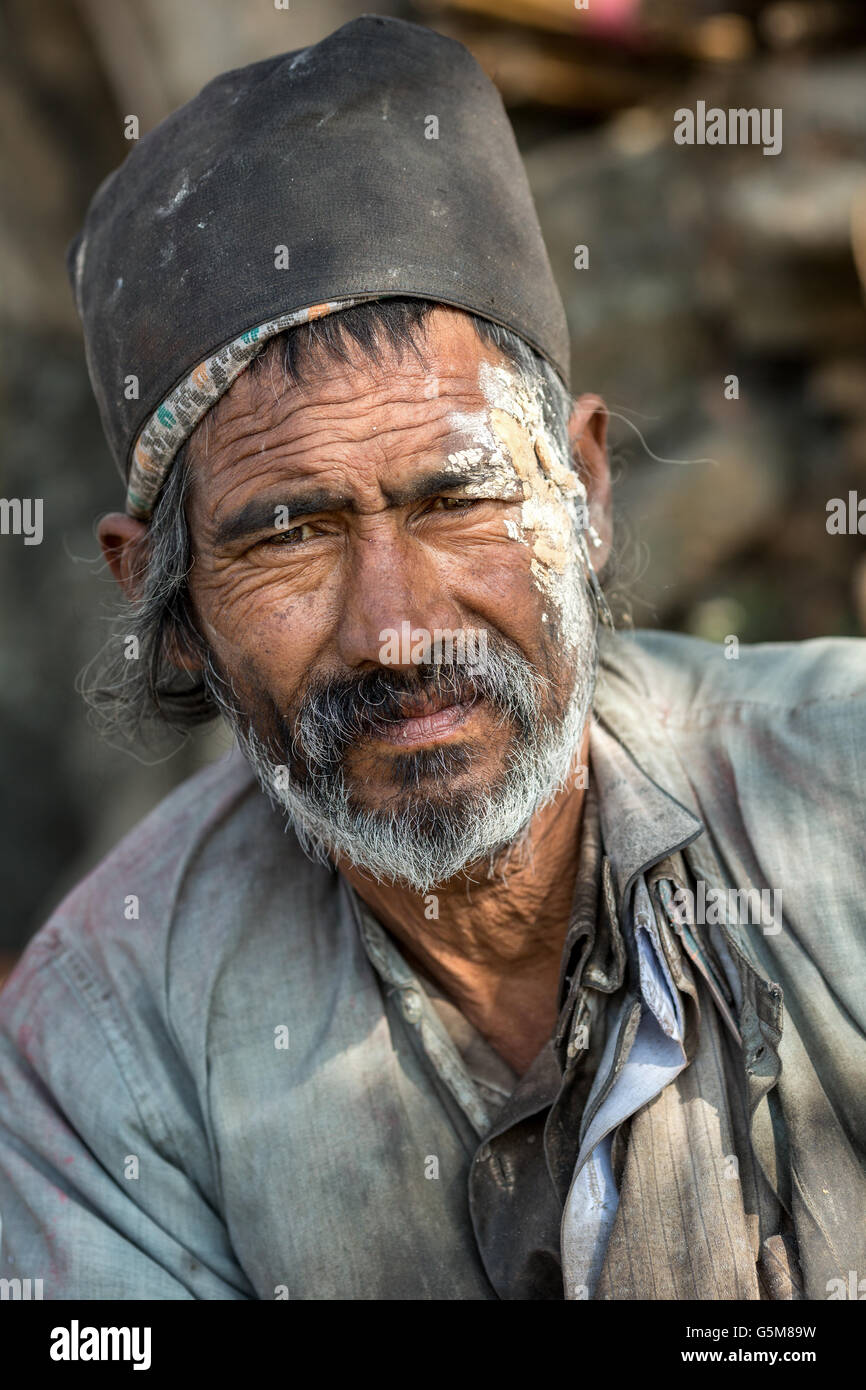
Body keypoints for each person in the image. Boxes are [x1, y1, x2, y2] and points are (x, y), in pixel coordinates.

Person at [0, 15, 863, 1301]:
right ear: (166, 598)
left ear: (577, 488)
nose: (394, 629)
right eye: (290, 535)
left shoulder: (842, 796)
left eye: (456, 499)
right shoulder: (105, 1045)